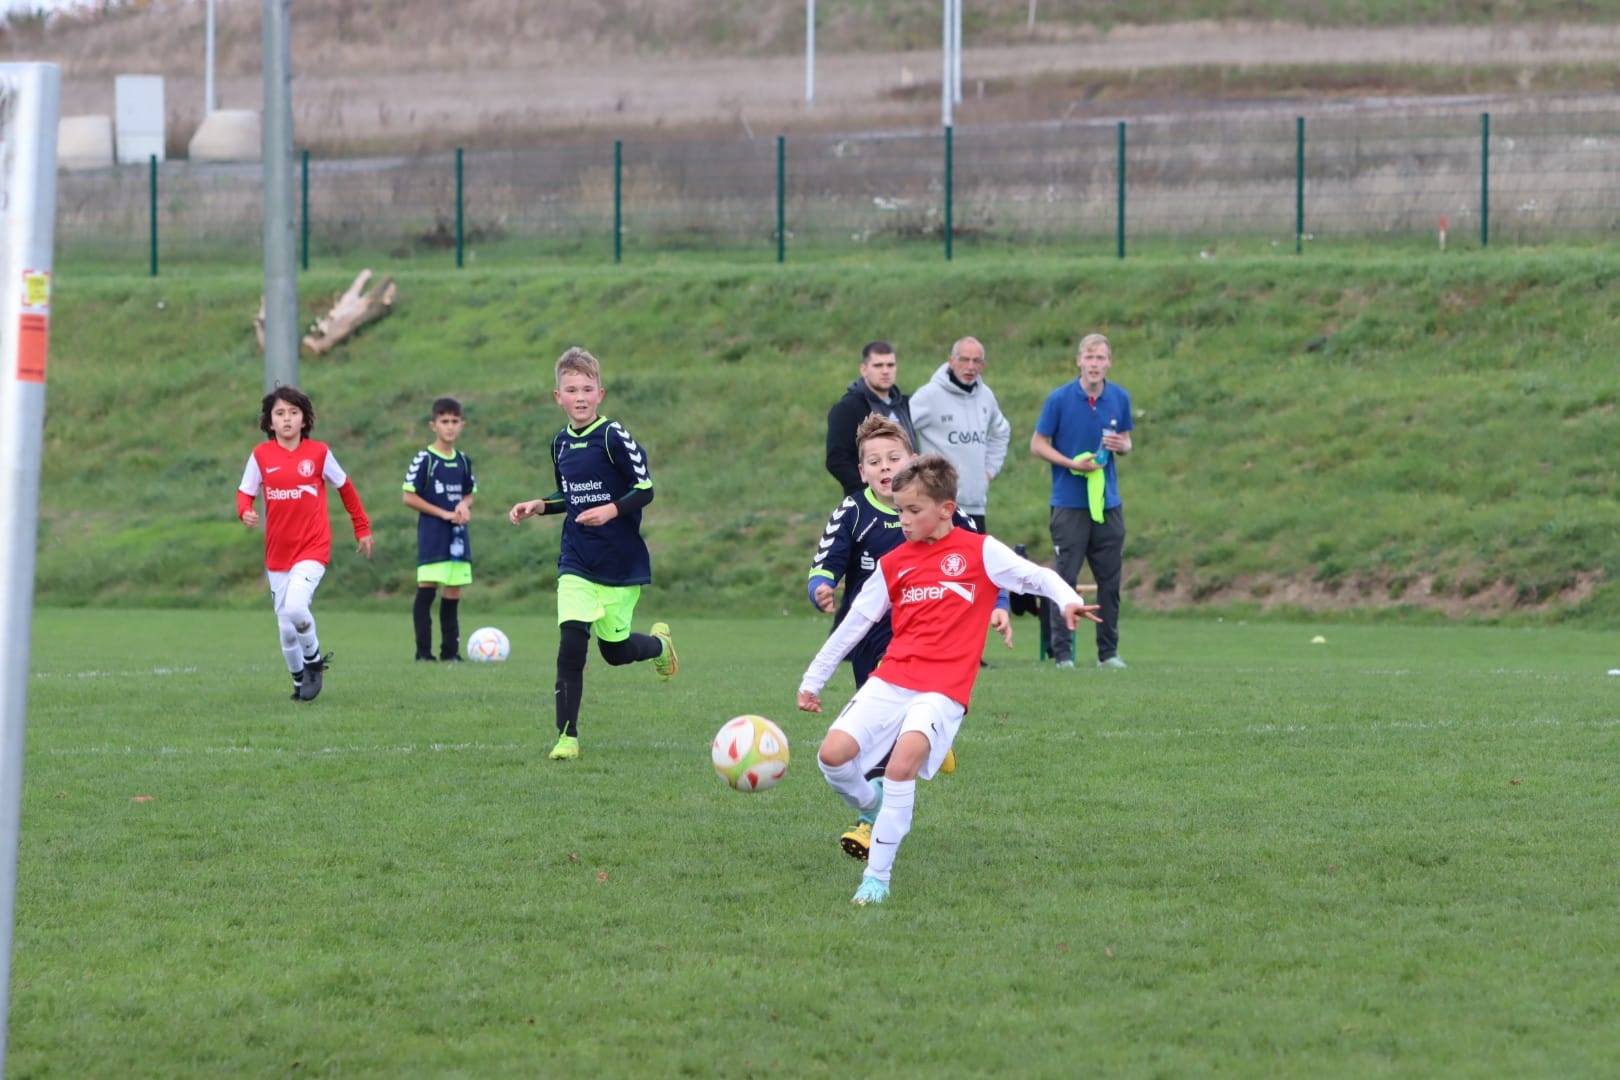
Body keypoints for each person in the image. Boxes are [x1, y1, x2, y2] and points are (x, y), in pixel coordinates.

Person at [797, 454, 1100, 906]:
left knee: (901, 767)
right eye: (899, 510)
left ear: (946, 509)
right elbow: (855, 622)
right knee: (831, 757)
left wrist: (1067, 599)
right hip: (892, 677)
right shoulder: (894, 562)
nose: (903, 520)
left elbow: (1036, 576)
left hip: (943, 690)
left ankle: (876, 879)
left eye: (912, 510)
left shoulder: (980, 551)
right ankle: (872, 806)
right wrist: (813, 680)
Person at [807, 415, 1007, 858]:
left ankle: (869, 823)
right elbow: (827, 559)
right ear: (861, 471)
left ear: (912, 461)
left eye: (893, 458)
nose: (884, 467)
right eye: (874, 461)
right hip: (870, 637)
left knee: (895, 735)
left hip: (927, 639)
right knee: (878, 726)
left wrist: (999, 603)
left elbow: (987, 559)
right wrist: (821, 586)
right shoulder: (853, 511)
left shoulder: (943, 513)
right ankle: (933, 744)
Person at [508, 346, 677, 762]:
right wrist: (540, 505)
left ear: (600, 394)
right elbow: (568, 496)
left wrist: (611, 510)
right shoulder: (559, 444)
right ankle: (567, 738)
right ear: (558, 397)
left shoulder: (612, 436)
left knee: (615, 653)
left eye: (587, 389)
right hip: (577, 559)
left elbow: (645, 489)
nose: (580, 397)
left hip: (619, 561)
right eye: (571, 390)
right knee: (571, 643)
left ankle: (659, 646)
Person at [236, 386, 374, 702]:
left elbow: (345, 487)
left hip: (313, 547)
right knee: (286, 628)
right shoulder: (261, 456)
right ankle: (299, 682)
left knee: (297, 607)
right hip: (278, 553)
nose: (287, 419)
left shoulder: (319, 453)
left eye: (293, 412)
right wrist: (245, 511)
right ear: (269, 421)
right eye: (280, 413)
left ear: (304, 419)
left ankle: (313, 662)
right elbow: (245, 492)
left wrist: (362, 527)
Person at [1030, 332, 1134, 670]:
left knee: (1110, 582)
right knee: (1065, 580)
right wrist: (1071, 463)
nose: (1094, 364)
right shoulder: (1059, 399)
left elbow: (1127, 441)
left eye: (1100, 358)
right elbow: (1037, 444)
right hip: (1069, 503)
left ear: (1109, 363)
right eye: (1089, 358)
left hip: (1107, 503)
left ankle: (1108, 653)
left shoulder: (1119, 397)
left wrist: (1122, 446)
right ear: (1079, 361)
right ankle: (1063, 655)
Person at [907, 336, 1011, 533]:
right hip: (939, 503)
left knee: (975, 554)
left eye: (976, 361)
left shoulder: (986, 396)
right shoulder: (930, 395)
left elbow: (1002, 431)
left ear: (983, 365)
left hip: (975, 505)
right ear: (951, 361)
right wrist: (912, 470)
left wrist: (988, 472)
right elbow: (899, 430)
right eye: (964, 359)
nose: (970, 367)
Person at [403, 396, 477, 662]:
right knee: (427, 589)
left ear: (462, 425)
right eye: (444, 421)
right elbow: (408, 496)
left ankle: (450, 653)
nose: (450, 426)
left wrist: (463, 505)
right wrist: (443, 513)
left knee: (453, 591)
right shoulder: (425, 459)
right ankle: (423, 653)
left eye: (455, 421)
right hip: (433, 535)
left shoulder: (464, 461)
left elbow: (469, 493)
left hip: (457, 537)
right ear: (433, 425)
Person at [825, 340, 915, 497]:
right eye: (878, 365)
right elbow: (836, 459)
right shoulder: (847, 408)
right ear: (864, 369)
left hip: (907, 498)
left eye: (890, 365)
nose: (885, 371)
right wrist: (868, 491)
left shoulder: (906, 404)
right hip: (869, 500)